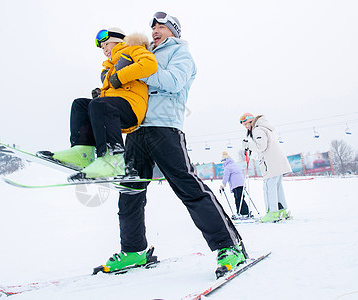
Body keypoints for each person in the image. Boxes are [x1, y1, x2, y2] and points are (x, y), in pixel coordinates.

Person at [101, 12, 247, 277]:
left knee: (189, 187)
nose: (155, 30)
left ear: (174, 31)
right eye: (153, 27)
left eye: (161, 27)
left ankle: (230, 246)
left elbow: (173, 82)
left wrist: (138, 73)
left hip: (165, 128)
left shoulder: (180, 54)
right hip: (136, 130)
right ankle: (134, 250)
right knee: (130, 191)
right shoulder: (141, 52)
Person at [39, 28, 158, 179]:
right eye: (102, 48)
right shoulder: (109, 66)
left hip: (132, 108)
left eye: (106, 44)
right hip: (114, 109)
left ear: (119, 40)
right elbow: (115, 93)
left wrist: (119, 77)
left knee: (99, 104)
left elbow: (150, 64)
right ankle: (82, 152)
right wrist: (101, 93)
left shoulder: (132, 50)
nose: (104, 50)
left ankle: (113, 160)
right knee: (80, 104)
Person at [240, 113, 292, 222]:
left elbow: (261, 147)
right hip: (276, 163)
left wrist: (247, 145)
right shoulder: (265, 128)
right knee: (277, 187)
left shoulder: (258, 130)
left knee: (269, 187)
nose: (246, 127)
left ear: (251, 122)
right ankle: (282, 211)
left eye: (246, 125)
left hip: (270, 164)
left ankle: (272, 213)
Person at [220, 151, 250, 217]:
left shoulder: (228, 167)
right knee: (241, 198)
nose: (223, 163)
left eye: (223, 161)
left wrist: (223, 185)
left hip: (236, 185)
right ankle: (244, 211)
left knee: (238, 199)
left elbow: (226, 177)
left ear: (225, 161)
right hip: (241, 184)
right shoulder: (235, 165)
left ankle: (243, 213)